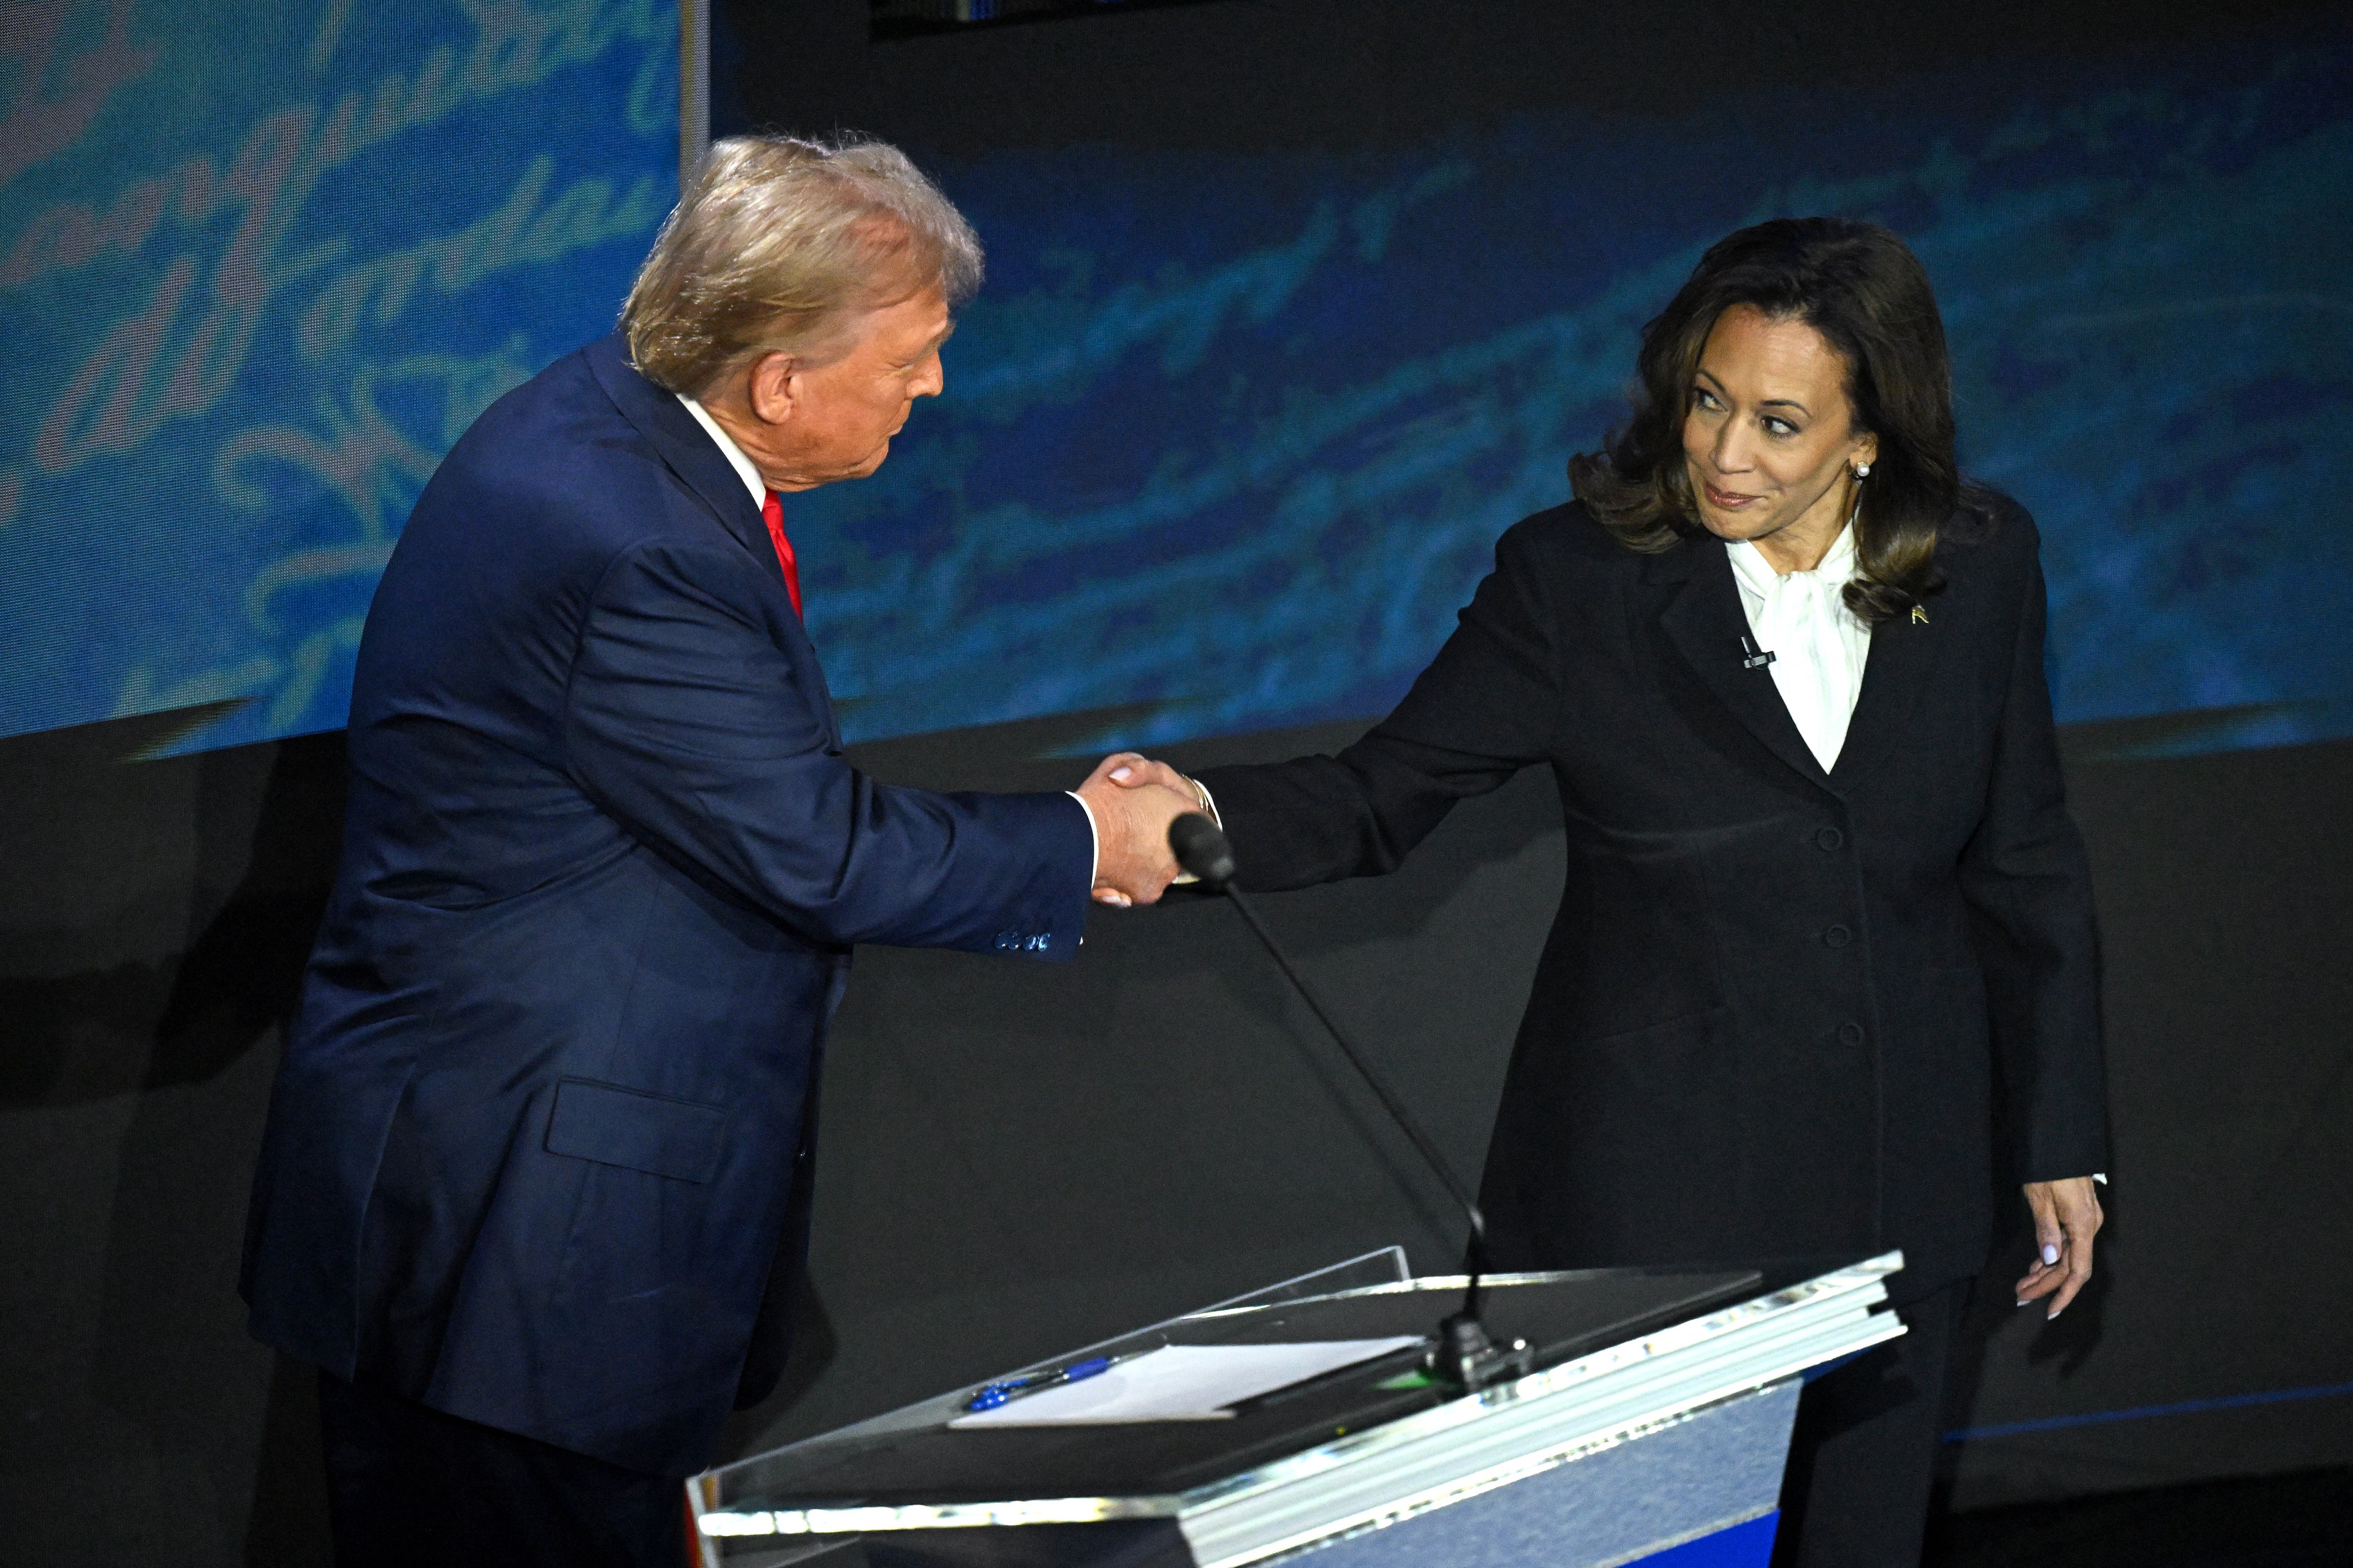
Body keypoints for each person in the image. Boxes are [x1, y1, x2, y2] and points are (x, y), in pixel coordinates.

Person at [239, 135, 1195, 1568]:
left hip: (480, 1204)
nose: (932, 389)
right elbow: (814, 846)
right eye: (911, 359)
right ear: (780, 381)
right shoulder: (640, 547)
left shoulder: (600, 420)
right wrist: (1087, 839)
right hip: (525, 1250)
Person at [1111, 218, 2109, 1567]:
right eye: (1706, 399)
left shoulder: (1982, 563)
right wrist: (1187, 825)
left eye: (1778, 421)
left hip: (1904, 1184)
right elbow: (1379, 794)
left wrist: (2060, 1133)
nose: (1726, 452)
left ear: (1870, 437)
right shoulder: (1577, 580)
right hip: (1655, 1206)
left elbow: (2025, 857)